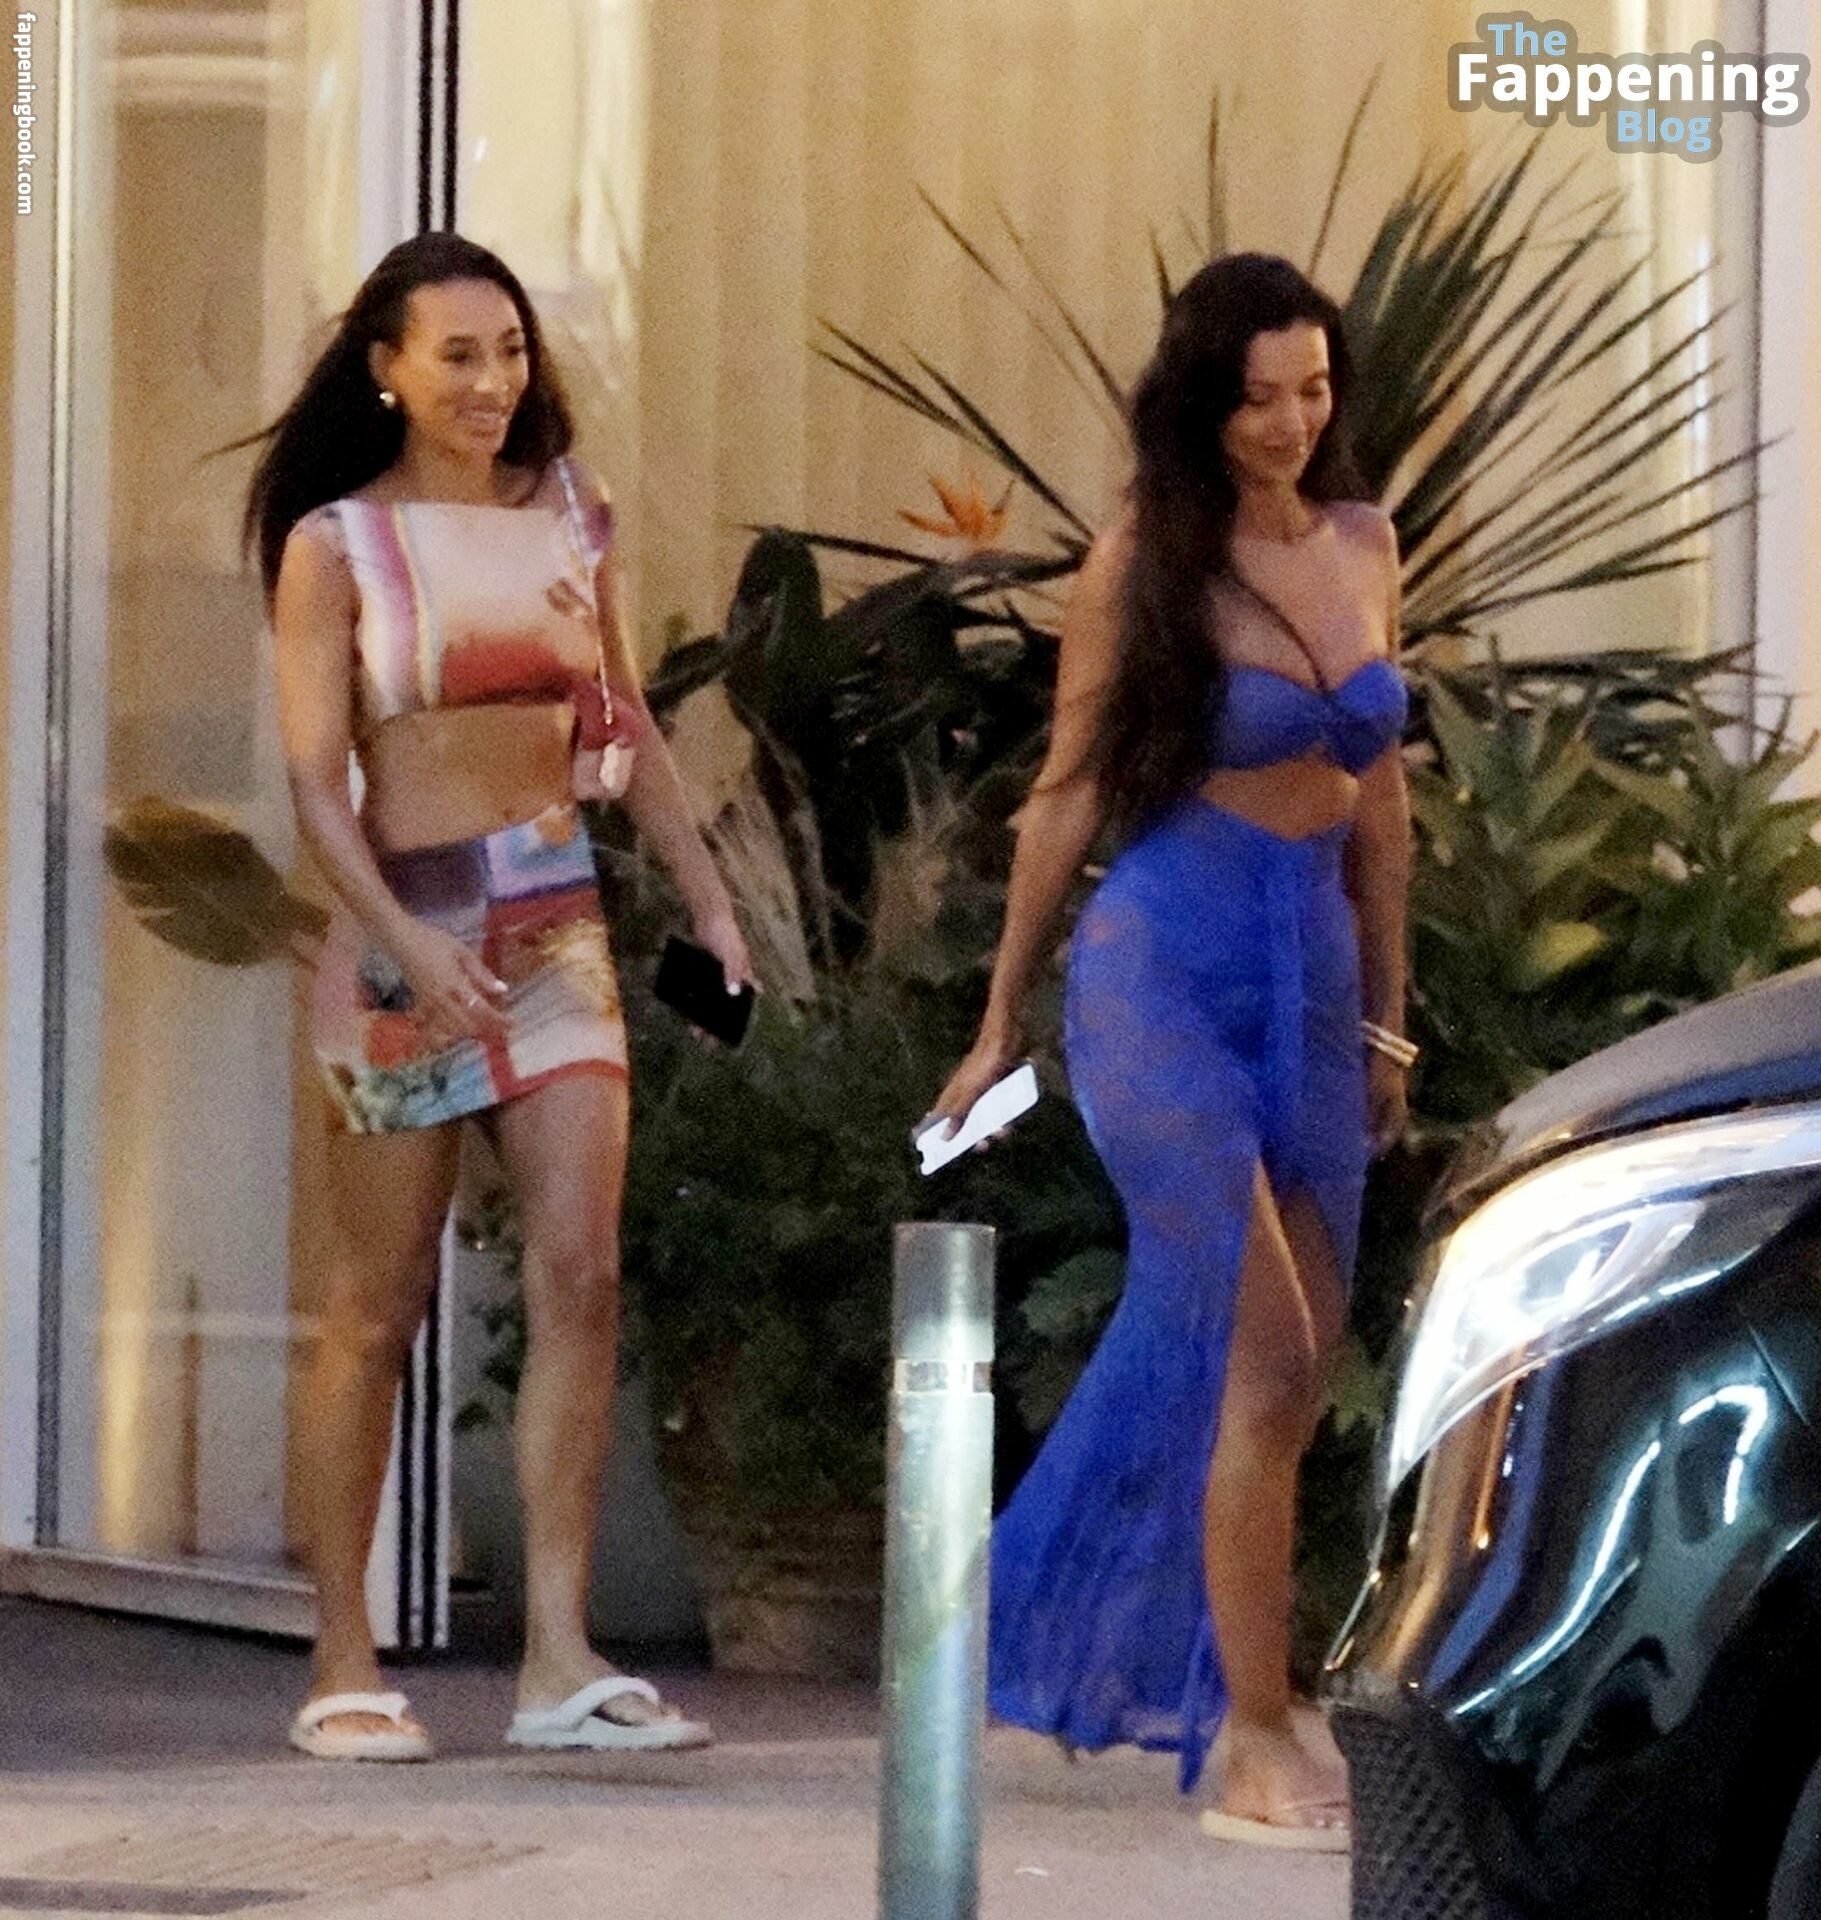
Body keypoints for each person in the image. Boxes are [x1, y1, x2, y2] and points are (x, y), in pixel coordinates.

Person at [928, 252, 1414, 1847]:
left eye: (1313, 390)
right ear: (1200, 402)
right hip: (1161, 971)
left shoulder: (1363, 542)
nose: (1288, 423)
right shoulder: (1144, 559)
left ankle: (1164, 1663)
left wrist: (1389, 1015)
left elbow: (1382, 803)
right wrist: (996, 1018)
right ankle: (1251, 1734)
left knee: (1290, 1358)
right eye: (1256, 396)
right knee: (1262, 1352)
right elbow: (1067, 786)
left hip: (1313, 978)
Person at [247, 231, 752, 1761]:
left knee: (582, 1271)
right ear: (386, 369)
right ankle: (342, 1660)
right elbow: (314, 780)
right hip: (404, 928)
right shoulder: (336, 544)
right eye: (457, 354)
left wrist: (709, 894)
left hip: (551, 917)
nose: (492, 381)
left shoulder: (569, 512)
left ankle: (557, 1659)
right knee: (376, 1301)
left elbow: (626, 723)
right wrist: (403, 936)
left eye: (511, 350)